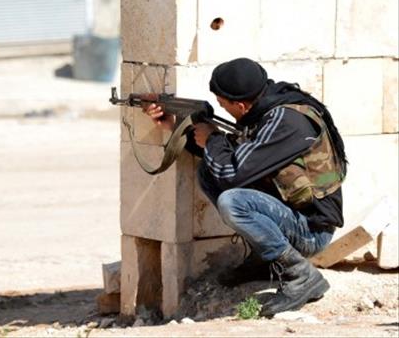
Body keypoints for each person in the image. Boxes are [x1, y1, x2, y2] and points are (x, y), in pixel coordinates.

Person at [145, 57, 346, 317]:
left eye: (223, 105)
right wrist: (175, 127)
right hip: (292, 215)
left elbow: (232, 174)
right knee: (208, 171)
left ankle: (300, 274)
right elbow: (239, 158)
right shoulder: (268, 107)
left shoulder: (285, 121)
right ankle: (266, 260)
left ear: (240, 105)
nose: (222, 109)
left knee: (233, 202)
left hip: (311, 231)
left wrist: (213, 137)